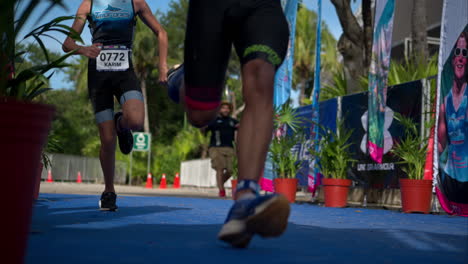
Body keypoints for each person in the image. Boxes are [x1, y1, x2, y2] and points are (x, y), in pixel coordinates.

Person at [167, 0, 290, 248]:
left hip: (262, 6)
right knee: (201, 115)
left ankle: (245, 199)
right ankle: (180, 78)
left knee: (261, 76)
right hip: (212, 7)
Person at [63, 0, 168, 211]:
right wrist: (84, 50)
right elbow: (67, 44)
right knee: (107, 140)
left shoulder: (135, 3)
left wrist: (162, 67)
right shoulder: (88, 5)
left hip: (124, 73)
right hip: (98, 77)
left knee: (136, 121)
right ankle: (109, 191)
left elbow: (161, 32)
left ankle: (121, 123)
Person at [437, 31, 468, 204]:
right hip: (450, 176)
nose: (461, 58)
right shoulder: (445, 102)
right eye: (457, 52)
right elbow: (441, 145)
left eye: (465, 53)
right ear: (452, 60)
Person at [205, 102, 239, 197]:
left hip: (230, 148)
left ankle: (220, 182)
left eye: (227, 108)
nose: (225, 110)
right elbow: (203, 130)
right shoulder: (213, 120)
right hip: (216, 147)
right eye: (223, 108)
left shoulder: (233, 121)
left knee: (231, 170)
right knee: (220, 168)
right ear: (219, 110)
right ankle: (221, 190)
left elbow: (240, 131)